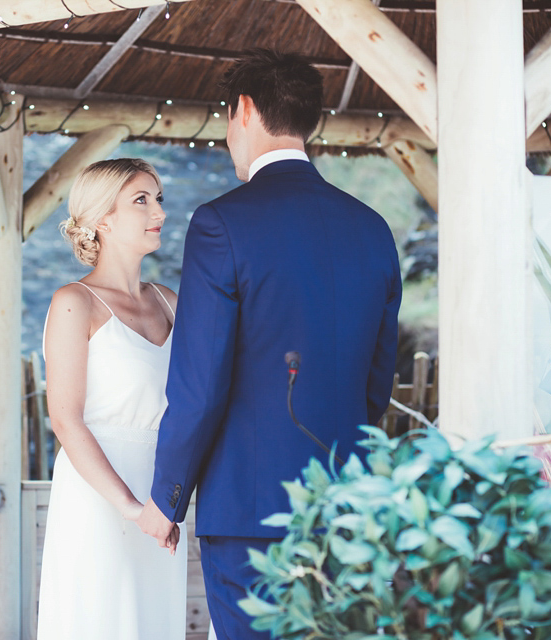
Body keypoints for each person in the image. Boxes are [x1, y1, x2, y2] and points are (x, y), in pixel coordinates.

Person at [136, 49, 403, 639]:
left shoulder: (220, 223)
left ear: (246, 110)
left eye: (228, 119)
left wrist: (167, 497)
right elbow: (377, 383)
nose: (228, 136)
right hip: (347, 504)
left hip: (250, 511)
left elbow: (200, 381)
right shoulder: (372, 227)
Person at [37, 158, 187, 639]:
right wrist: (129, 506)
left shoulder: (169, 300)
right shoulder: (72, 302)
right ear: (102, 218)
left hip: (163, 492)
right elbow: (64, 419)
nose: (158, 210)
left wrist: (164, 501)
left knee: (154, 621)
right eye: (141, 200)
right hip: (101, 494)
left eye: (158, 198)